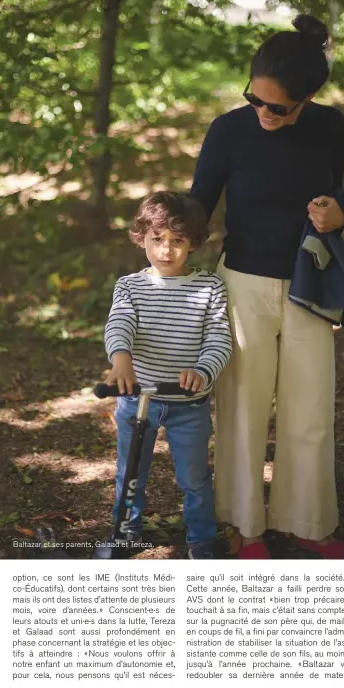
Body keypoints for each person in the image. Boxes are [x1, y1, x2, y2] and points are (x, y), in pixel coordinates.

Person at [191, 14, 344, 559]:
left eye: (278, 107)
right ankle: (245, 526)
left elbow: (339, 193)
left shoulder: (333, 126)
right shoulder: (228, 130)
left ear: (307, 98)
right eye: (253, 99)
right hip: (243, 286)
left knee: (310, 409)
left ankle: (306, 522)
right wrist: (165, 245)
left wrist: (339, 214)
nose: (263, 113)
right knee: (242, 406)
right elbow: (199, 205)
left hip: (311, 280)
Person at [104, 191, 232, 559]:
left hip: (187, 404)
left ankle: (202, 539)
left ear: (192, 244)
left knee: (194, 478)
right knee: (130, 474)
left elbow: (219, 337)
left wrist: (204, 370)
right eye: (157, 239)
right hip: (137, 399)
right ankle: (127, 532)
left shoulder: (209, 287)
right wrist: (121, 358)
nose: (166, 249)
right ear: (141, 238)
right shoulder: (131, 286)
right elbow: (120, 324)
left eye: (177, 241)